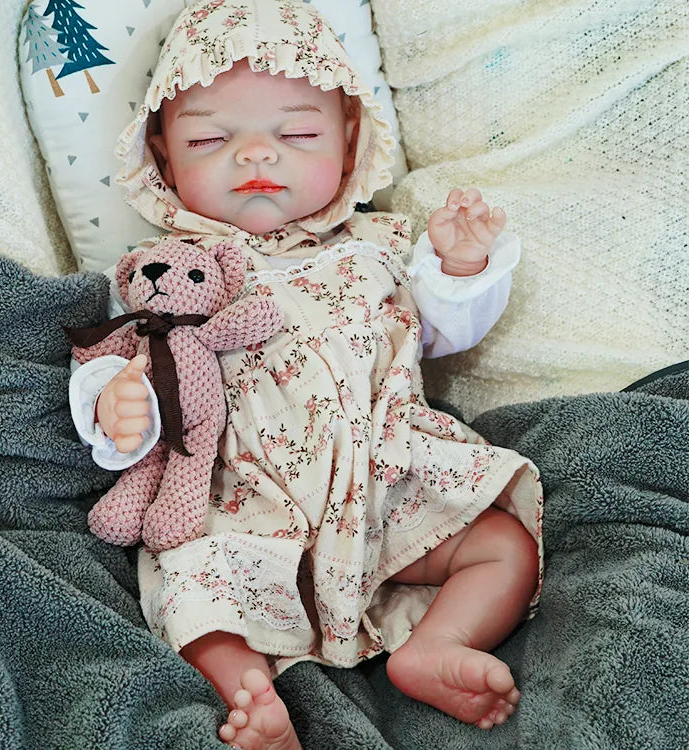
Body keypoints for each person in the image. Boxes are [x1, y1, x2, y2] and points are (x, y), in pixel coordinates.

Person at [70, 2, 543, 748]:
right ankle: (253, 698)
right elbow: (119, 356)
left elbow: (443, 331)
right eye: (209, 137)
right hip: (246, 503)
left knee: (502, 545)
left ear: (350, 139)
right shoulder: (164, 273)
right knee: (193, 598)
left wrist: (460, 265)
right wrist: (117, 405)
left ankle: (440, 645)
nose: (257, 157)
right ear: (163, 157)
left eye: (296, 133)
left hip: (389, 479)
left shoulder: (378, 244)